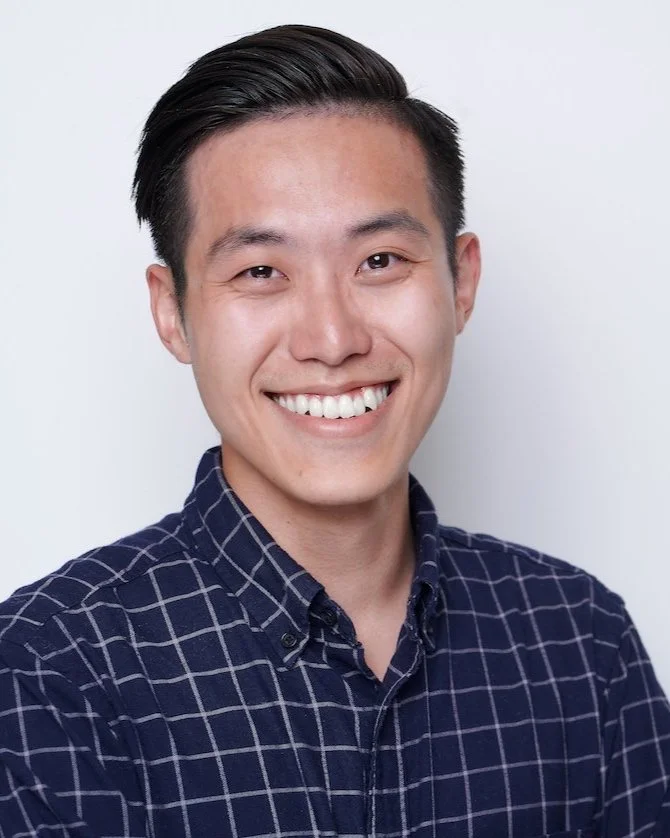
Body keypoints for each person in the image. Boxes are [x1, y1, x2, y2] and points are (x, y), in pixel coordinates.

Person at [0, 23, 668, 838]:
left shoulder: (578, 640)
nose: (333, 338)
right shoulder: (45, 673)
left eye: (380, 261)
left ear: (462, 283)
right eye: (260, 272)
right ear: (171, 314)